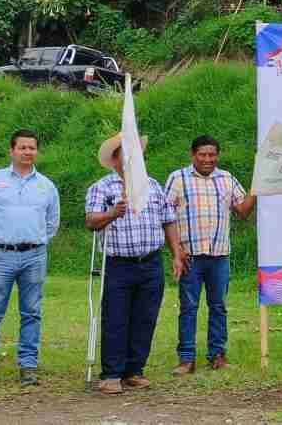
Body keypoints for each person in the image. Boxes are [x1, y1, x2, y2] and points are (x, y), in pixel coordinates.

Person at [85, 133, 187, 395]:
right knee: (116, 318)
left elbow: (168, 220)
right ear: (115, 159)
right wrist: (111, 214)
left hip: (150, 263)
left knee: (145, 318)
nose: (133, 159)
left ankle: (134, 371)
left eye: (136, 153)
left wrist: (176, 253)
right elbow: (90, 222)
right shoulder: (102, 187)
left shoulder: (152, 186)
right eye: (126, 154)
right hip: (118, 265)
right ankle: (111, 374)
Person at [165, 135, 256, 375]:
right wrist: (176, 250)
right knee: (189, 307)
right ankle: (186, 359)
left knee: (219, 306)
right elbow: (165, 218)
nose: (208, 159)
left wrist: (257, 187)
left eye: (212, 155)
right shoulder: (178, 179)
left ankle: (218, 355)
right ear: (193, 154)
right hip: (190, 257)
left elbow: (243, 210)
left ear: (218, 155)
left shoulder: (227, 179)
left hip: (219, 255)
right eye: (202, 155)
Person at [0, 129, 60, 386]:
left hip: (34, 256)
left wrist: (34, 241)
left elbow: (52, 222)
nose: (27, 152)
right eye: (22, 147)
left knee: (32, 312)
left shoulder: (46, 186)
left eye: (32, 148)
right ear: (12, 150)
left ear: (36, 151)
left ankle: (28, 365)